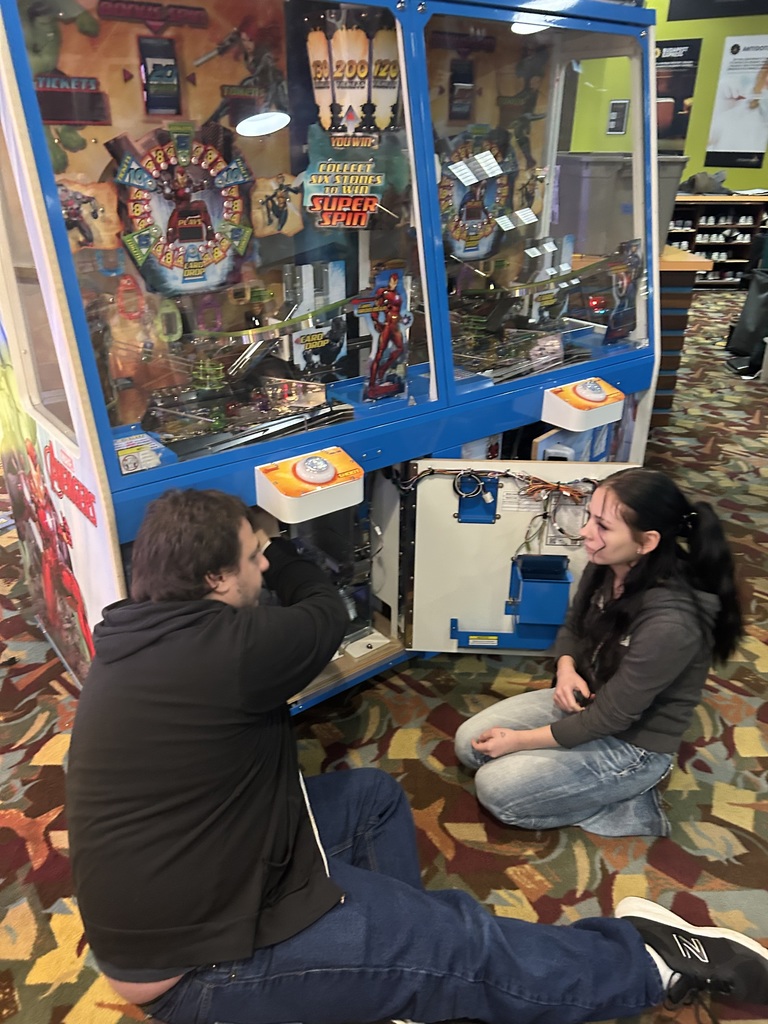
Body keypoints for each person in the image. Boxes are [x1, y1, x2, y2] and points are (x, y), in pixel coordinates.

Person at [65, 487, 768, 1024]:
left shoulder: (129, 633)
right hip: (196, 964)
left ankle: (400, 980)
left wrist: (253, 542)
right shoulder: (237, 648)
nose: (261, 569)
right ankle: (648, 963)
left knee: (371, 802)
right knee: (457, 941)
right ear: (217, 580)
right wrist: (285, 549)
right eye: (252, 560)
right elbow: (321, 607)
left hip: (217, 855)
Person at [455, 467, 743, 838]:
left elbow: (611, 719)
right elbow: (574, 625)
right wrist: (566, 668)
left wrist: (519, 741)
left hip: (633, 742)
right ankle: (570, 776)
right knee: (469, 745)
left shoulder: (672, 622)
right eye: (590, 516)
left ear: (647, 541)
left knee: (498, 791)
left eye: (602, 526)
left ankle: (629, 801)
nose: (586, 531)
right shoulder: (608, 562)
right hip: (591, 701)